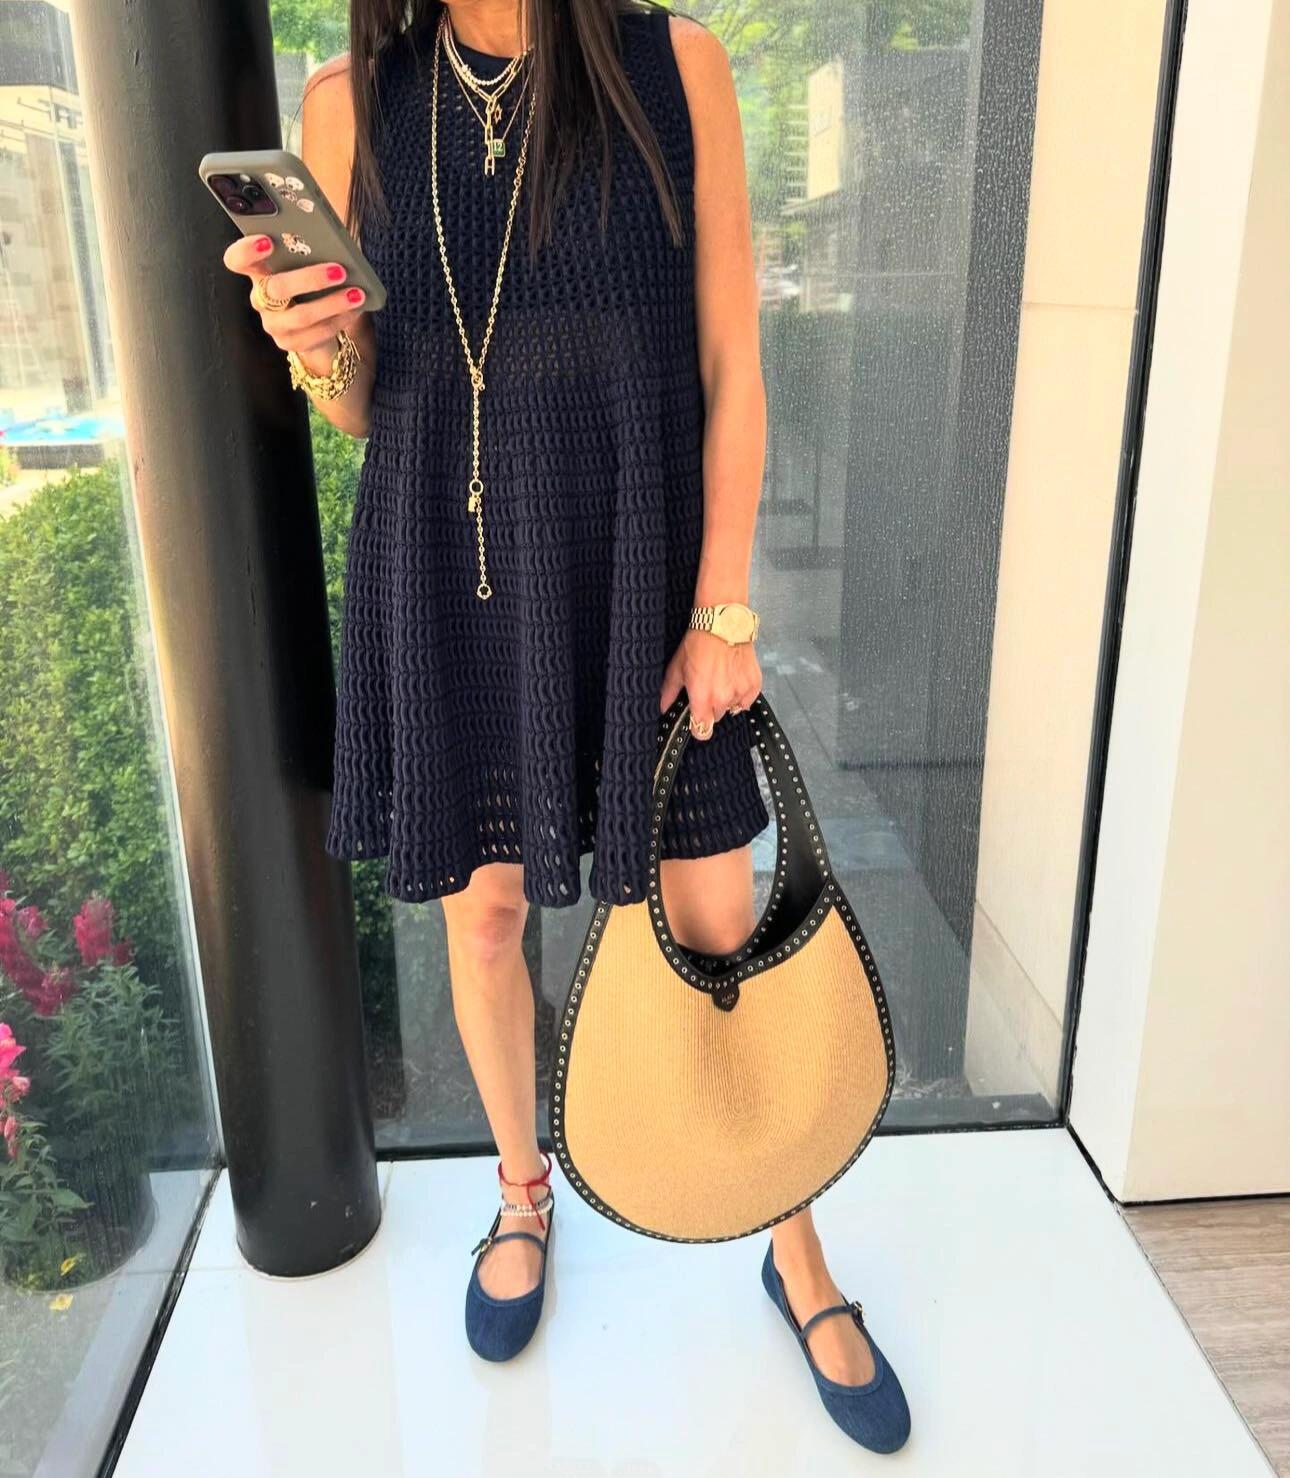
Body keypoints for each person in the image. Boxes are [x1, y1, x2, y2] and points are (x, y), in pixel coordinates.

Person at [222, 0, 909, 1454]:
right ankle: (522, 1195)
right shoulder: (352, 102)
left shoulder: (678, 67)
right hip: (452, 570)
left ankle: (794, 1252)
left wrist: (724, 603)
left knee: (716, 926)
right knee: (483, 920)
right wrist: (312, 345)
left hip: (641, 576)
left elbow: (731, 360)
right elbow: (365, 411)